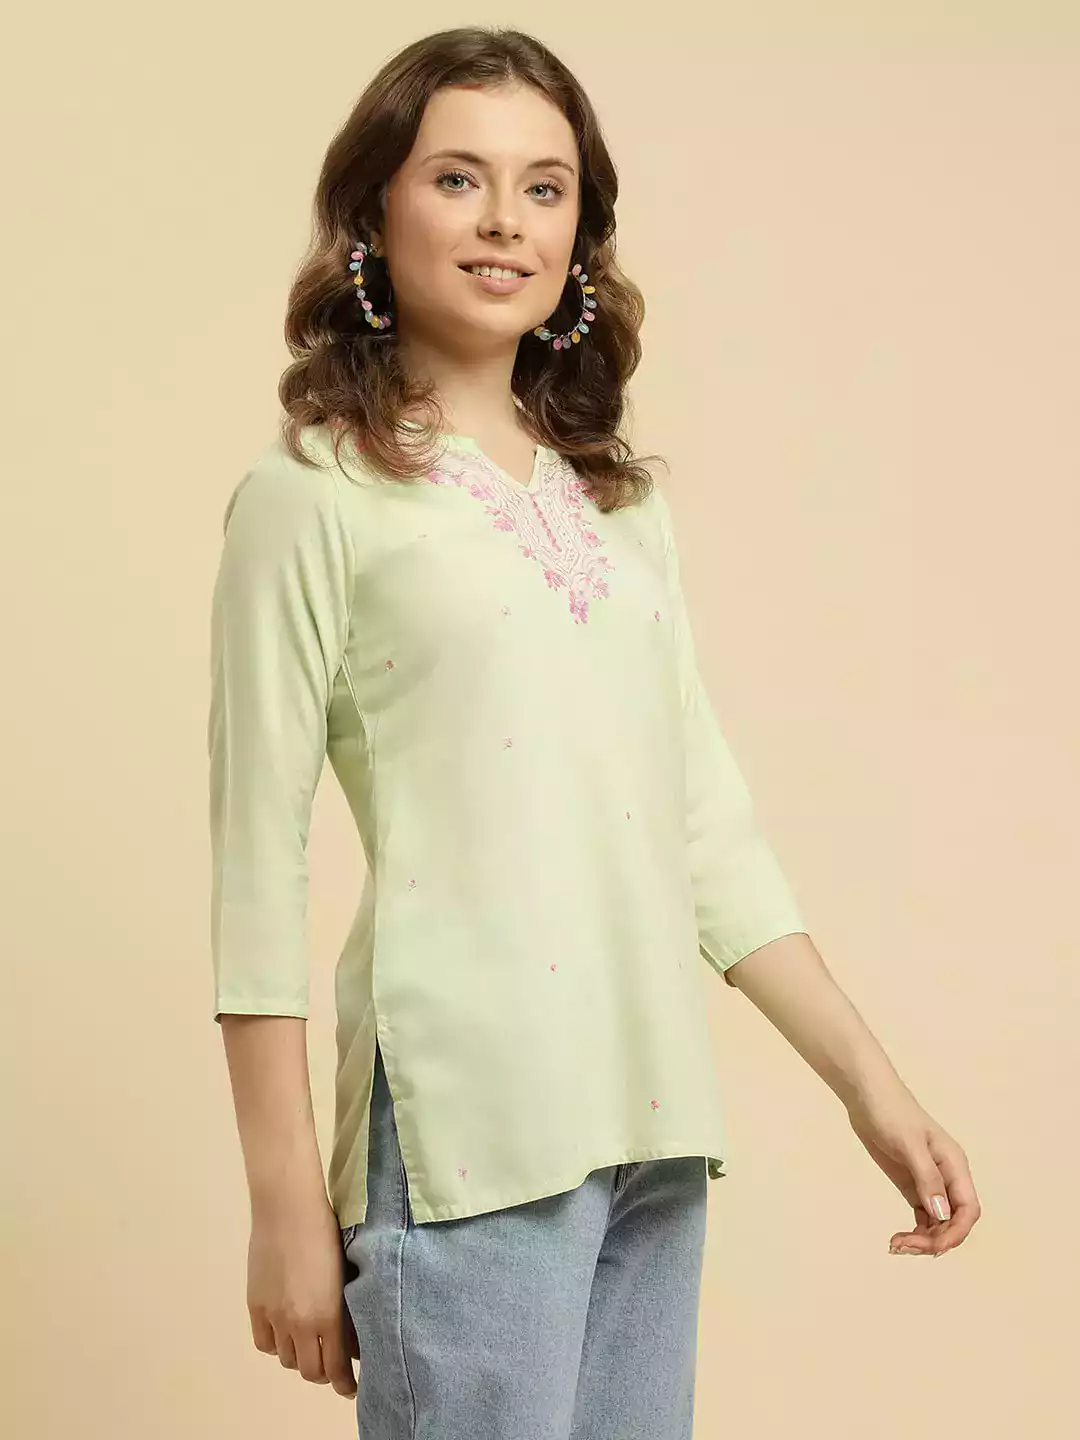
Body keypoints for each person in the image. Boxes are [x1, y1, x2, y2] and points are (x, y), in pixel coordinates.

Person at [207, 25, 981, 1440]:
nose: (506, 219)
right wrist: (283, 1206)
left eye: (545, 187)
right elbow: (255, 860)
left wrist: (874, 1091)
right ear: (376, 211)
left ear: (580, 230)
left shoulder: (619, 509)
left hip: (653, 1123)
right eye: (458, 177)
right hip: (468, 1131)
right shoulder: (310, 493)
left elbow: (704, 830)